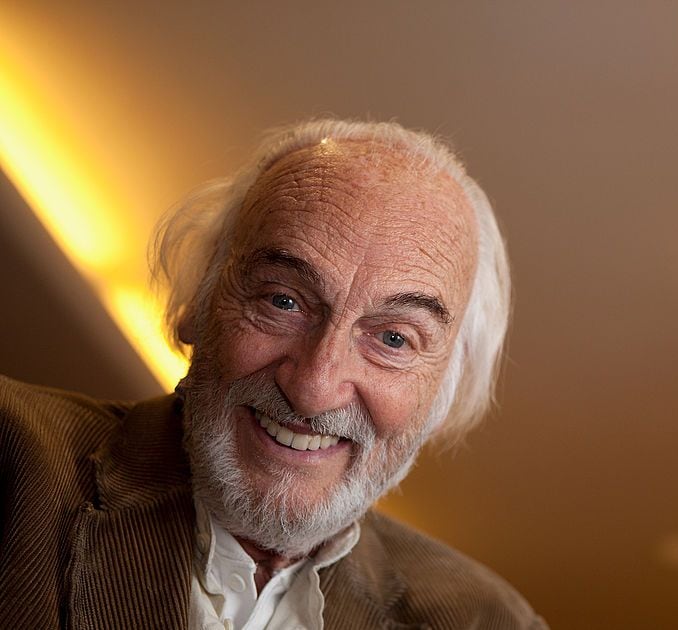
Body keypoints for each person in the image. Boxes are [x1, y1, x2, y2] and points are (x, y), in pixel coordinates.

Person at [0, 119, 546, 629]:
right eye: (283, 301)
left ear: (444, 387)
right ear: (199, 300)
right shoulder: (13, 461)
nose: (313, 388)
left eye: (393, 338)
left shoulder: (488, 618)